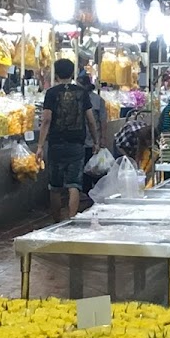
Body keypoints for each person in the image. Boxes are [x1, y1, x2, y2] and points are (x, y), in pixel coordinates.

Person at [38, 59, 98, 221]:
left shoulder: (51, 93)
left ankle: (56, 221)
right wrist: (96, 141)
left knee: (55, 186)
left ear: (56, 74)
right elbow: (91, 120)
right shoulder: (82, 93)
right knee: (74, 184)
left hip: (56, 144)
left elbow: (46, 120)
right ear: (72, 74)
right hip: (76, 144)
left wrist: (40, 146)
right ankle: (72, 220)